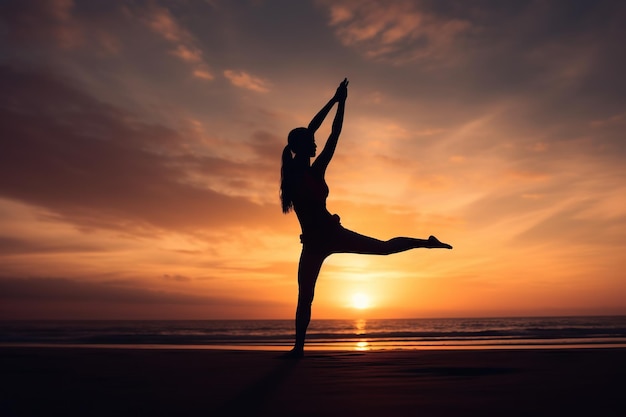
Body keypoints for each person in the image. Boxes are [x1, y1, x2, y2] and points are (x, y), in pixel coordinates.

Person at [279, 79, 452, 358]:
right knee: (305, 295)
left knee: (381, 249)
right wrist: (339, 102)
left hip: (326, 235)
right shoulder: (302, 172)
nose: (315, 144)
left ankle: (426, 242)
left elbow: (322, 131)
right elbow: (325, 132)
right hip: (316, 241)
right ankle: (298, 348)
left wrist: (337, 101)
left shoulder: (303, 169)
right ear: (301, 146)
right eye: (311, 142)